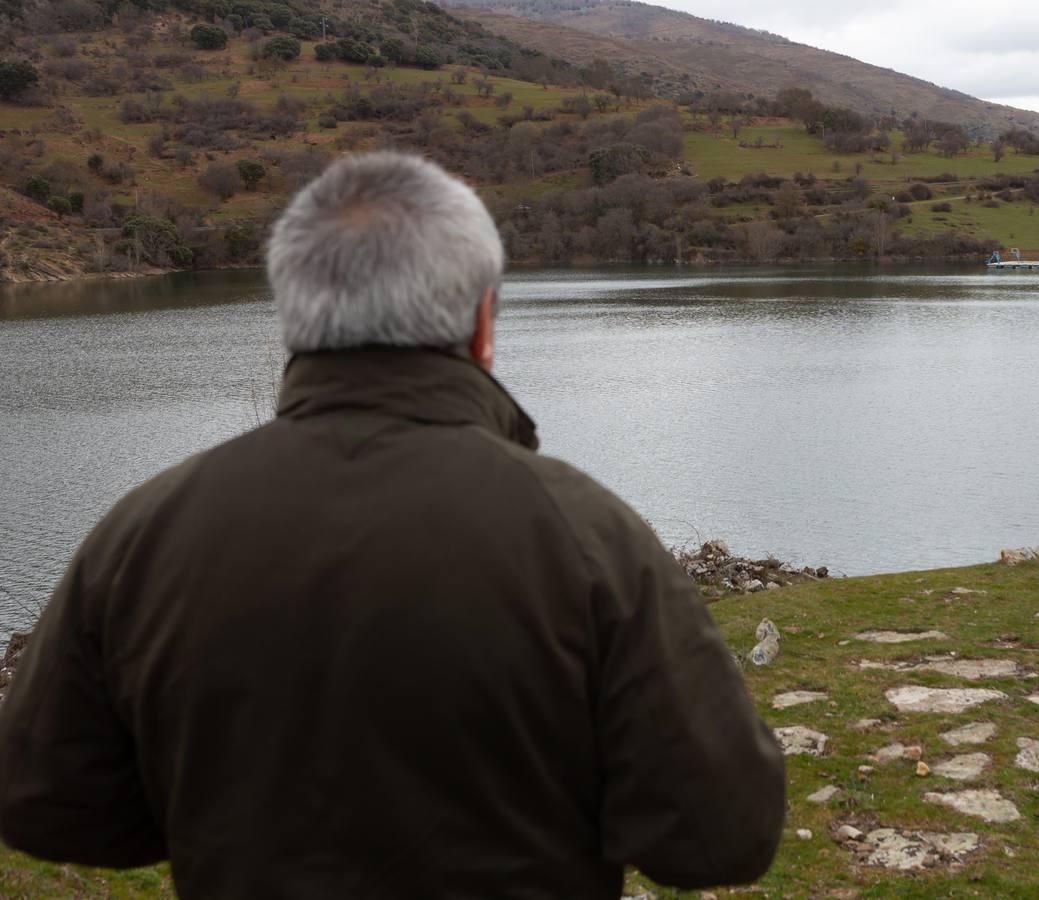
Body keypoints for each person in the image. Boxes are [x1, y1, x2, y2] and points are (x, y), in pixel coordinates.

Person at [0, 152, 786, 897]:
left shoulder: (143, 534)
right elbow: (721, 835)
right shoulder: (586, 536)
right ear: (483, 322)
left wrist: (214, 811)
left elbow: (45, 801)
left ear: (294, 322)